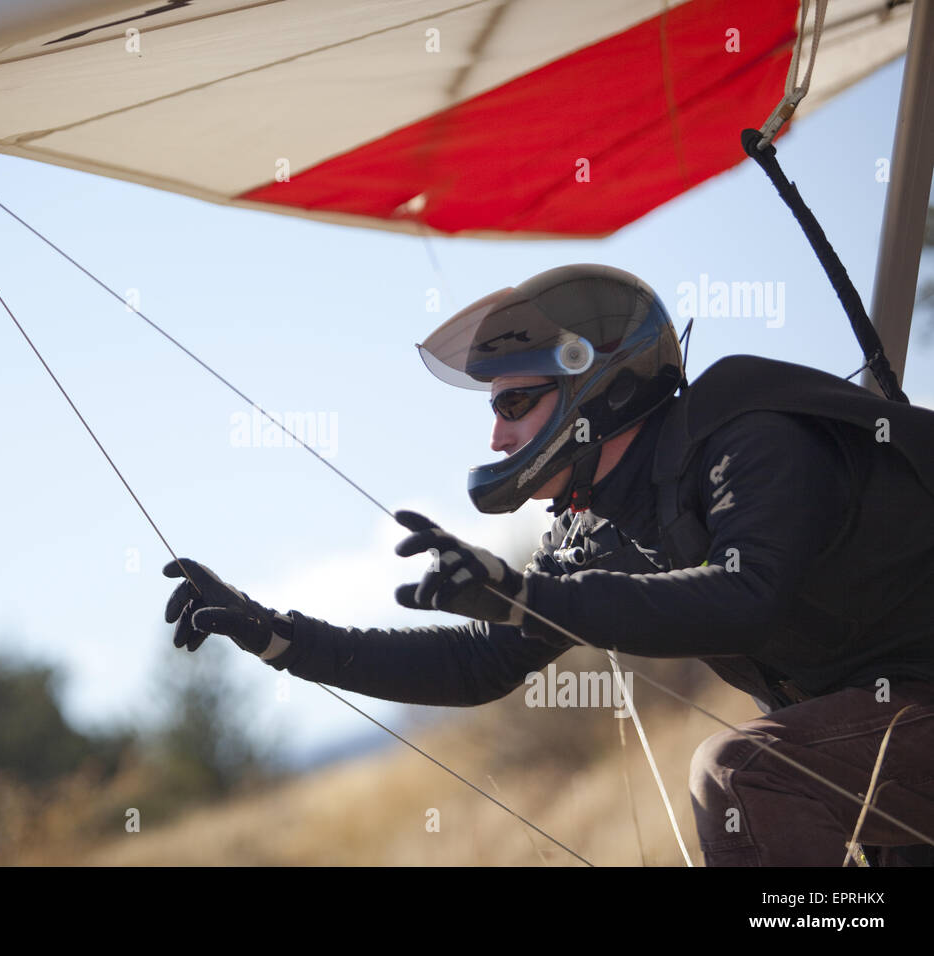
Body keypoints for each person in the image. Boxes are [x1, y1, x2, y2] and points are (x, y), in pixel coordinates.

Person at [162, 264, 934, 866]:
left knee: (743, 774)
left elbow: (746, 595)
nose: (497, 439)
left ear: (596, 389)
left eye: (513, 405)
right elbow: (476, 666)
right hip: (894, 737)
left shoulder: (750, 436)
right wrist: (282, 639)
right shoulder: (605, 528)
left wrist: (530, 594)